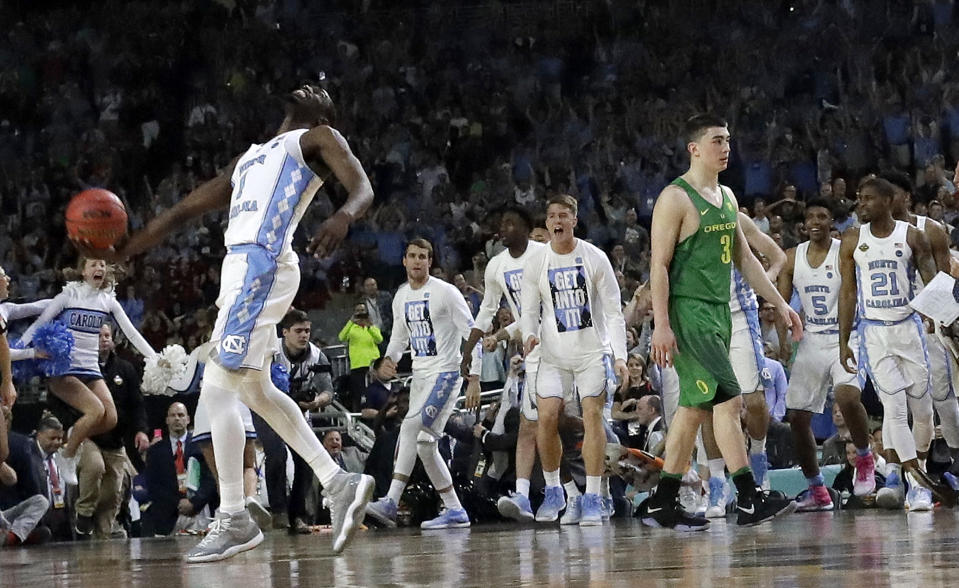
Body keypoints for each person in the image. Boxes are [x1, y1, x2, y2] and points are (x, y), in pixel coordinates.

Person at [89, 84, 376, 560]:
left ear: (325, 113)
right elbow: (182, 211)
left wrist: (344, 216)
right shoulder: (249, 160)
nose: (308, 85)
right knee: (255, 390)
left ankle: (235, 516)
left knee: (218, 386)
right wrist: (123, 252)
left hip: (262, 265)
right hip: (239, 269)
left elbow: (362, 186)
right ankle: (338, 481)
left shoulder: (317, 137)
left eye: (322, 91)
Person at [643, 114, 801, 531]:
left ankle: (663, 500)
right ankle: (750, 497)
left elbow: (747, 261)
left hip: (718, 313)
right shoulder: (674, 198)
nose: (725, 147)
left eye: (728, 140)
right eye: (717, 140)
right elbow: (658, 266)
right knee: (729, 400)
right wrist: (662, 324)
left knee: (693, 410)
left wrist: (781, 304)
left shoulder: (728, 197)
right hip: (688, 313)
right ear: (694, 149)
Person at [519, 194, 629, 527]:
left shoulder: (594, 257)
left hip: (591, 353)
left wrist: (620, 356)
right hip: (552, 355)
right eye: (552, 215)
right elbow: (528, 310)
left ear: (574, 220)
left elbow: (613, 312)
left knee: (592, 415)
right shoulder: (537, 262)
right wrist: (528, 335)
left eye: (563, 215)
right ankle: (556, 492)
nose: (557, 221)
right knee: (547, 418)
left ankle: (593, 497)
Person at [839, 177, 945, 512]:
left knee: (923, 410)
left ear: (888, 200)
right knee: (894, 408)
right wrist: (845, 339)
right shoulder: (853, 239)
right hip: (874, 332)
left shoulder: (912, 236)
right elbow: (848, 292)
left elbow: (933, 282)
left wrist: (944, 318)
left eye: (868, 198)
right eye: (859, 198)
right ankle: (916, 483)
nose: (861, 204)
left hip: (909, 329)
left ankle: (919, 470)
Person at [365, 238, 482, 530]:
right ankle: (455, 509)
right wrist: (389, 359)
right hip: (420, 376)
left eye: (423, 257)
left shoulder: (446, 293)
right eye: (413, 256)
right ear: (404, 260)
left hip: (446, 373)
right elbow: (399, 338)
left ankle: (391, 501)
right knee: (426, 445)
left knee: (412, 429)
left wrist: (474, 378)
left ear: (430, 262)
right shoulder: (401, 296)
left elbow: (472, 332)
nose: (418, 261)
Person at [21, 258, 158, 487]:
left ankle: (75, 433)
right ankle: (67, 455)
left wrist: (155, 358)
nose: (100, 268)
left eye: (103, 264)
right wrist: (18, 348)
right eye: (94, 264)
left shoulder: (108, 301)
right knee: (95, 410)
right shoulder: (68, 296)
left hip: (90, 368)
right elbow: (39, 324)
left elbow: (132, 334)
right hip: (63, 369)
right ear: (82, 270)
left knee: (111, 418)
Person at [777, 199, 875, 512]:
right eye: (810, 216)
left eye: (822, 215)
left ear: (832, 220)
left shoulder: (844, 249)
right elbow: (783, 304)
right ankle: (817, 490)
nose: (816, 221)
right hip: (813, 337)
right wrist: (784, 340)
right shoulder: (793, 257)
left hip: (848, 335)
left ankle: (863, 455)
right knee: (797, 417)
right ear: (803, 223)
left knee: (846, 398)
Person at [460, 206, 546, 522]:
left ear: (526, 226)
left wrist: (502, 332)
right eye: (501, 223)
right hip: (532, 349)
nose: (503, 228)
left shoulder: (543, 253)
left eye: (510, 222)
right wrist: (470, 350)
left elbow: (542, 309)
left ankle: (584, 492)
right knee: (530, 423)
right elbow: (486, 309)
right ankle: (525, 495)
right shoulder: (496, 265)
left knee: (559, 423)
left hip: (559, 343)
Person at [883, 170, 959, 469]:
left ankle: (954, 458)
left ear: (907, 197)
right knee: (896, 402)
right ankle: (898, 470)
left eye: (893, 194)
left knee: (940, 396)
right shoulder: (873, 234)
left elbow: (943, 279)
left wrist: (938, 317)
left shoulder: (931, 229)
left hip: (929, 323)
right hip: (891, 325)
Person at [74, 323, 150, 537]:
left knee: (111, 495)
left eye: (107, 335)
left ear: (113, 340)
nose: (104, 339)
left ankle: (101, 542)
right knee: (95, 466)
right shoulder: (80, 368)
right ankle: (84, 513)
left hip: (116, 440)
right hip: (89, 437)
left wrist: (141, 430)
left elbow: (137, 403)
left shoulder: (125, 369)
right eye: (99, 335)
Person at [272, 309, 335, 534]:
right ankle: (277, 512)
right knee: (276, 455)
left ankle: (297, 516)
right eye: (298, 331)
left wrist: (316, 401)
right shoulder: (272, 351)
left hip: (300, 414)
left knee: (306, 462)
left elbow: (329, 391)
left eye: (307, 330)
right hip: (270, 411)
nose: (304, 335)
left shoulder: (317, 356)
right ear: (285, 333)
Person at [142, 402, 218, 536]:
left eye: (181, 415)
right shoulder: (155, 451)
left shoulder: (202, 446)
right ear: (167, 420)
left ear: (188, 419)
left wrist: (194, 503)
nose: (177, 418)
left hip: (200, 511)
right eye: (173, 415)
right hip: (168, 516)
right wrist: (178, 503)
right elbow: (154, 485)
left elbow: (211, 477)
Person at [0, 407, 51, 547]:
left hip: (6, 514)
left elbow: (11, 479)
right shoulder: (22, 443)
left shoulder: (17, 444)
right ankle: (21, 536)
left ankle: (12, 537)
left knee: (41, 501)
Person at [338, 301, 383, 411]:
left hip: (373, 365)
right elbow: (341, 337)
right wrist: (351, 322)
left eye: (362, 310)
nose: (360, 313)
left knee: (375, 391)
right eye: (357, 311)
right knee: (359, 394)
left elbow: (379, 339)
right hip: (357, 365)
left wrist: (370, 326)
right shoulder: (351, 328)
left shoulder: (372, 326)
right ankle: (360, 417)